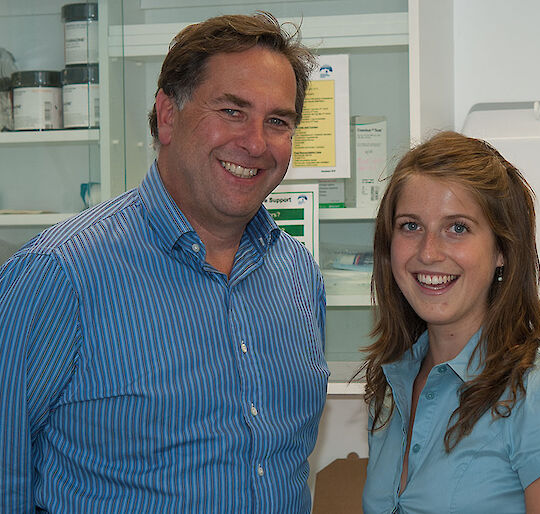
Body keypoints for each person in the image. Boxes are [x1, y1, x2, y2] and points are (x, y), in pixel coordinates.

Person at [0, 13, 329, 513]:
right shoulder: (58, 275)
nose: (257, 143)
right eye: (232, 111)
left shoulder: (297, 275)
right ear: (168, 115)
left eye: (278, 121)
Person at [360, 131, 540, 513]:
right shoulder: (392, 385)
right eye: (410, 226)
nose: (428, 252)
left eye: (457, 228)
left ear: (502, 250)